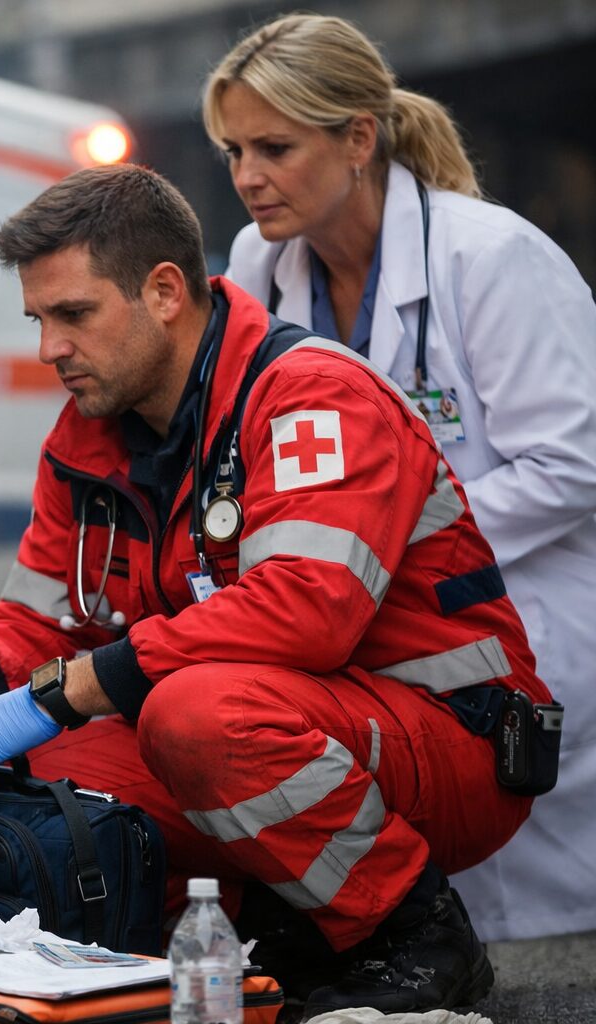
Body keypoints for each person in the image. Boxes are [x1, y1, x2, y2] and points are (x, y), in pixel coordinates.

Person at [0, 164, 553, 1017]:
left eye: (73, 314)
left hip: (453, 740)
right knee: (33, 771)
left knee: (195, 717)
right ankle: (237, 934)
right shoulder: (93, 430)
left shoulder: (313, 395)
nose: (48, 347)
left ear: (165, 291)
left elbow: (307, 610)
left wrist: (75, 688)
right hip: (289, 722)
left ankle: (413, 932)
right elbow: (41, 610)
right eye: (38, 319)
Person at [205, 12, 596, 942]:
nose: (247, 177)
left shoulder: (490, 259)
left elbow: (575, 460)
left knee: (544, 938)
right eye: (232, 150)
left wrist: (391, 548)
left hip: (521, 611)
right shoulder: (261, 263)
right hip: (368, 622)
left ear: (358, 139)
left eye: (273, 147)